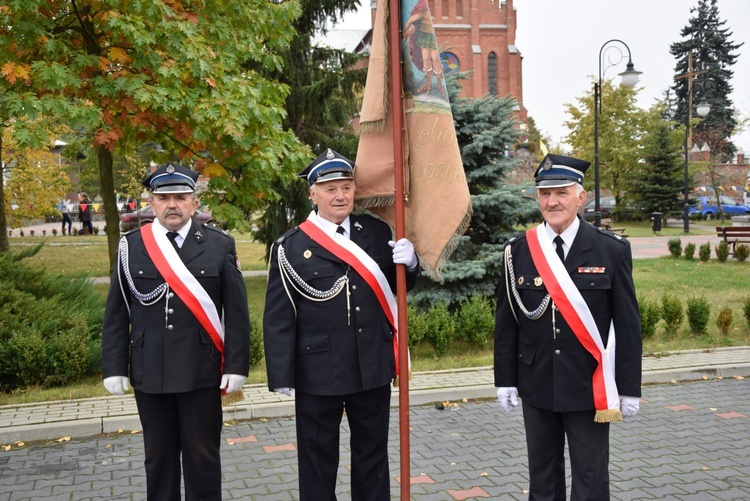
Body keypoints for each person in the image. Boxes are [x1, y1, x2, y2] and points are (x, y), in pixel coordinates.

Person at [263, 148, 421, 500]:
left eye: (346, 187)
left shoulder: (377, 233)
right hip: (318, 372)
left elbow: (400, 288)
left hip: (371, 366)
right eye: (330, 188)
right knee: (318, 462)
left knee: (372, 457)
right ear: (313, 193)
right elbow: (278, 315)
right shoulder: (291, 246)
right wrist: (281, 373)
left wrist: (411, 264)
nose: (340, 195)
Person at [494, 154, 642, 501]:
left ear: (581, 197)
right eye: (545, 194)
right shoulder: (518, 251)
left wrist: (629, 386)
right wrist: (505, 379)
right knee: (542, 476)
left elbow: (627, 324)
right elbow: (507, 322)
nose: (552, 202)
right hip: (537, 380)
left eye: (561, 192)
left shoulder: (610, 250)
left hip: (589, 384)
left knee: (591, 477)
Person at [101, 163, 250, 501]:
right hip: (149, 369)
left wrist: (237, 366)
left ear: (194, 203)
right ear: (151, 204)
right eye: (163, 198)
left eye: (181, 197)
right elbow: (116, 310)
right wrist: (113, 366)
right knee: (158, 459)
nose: (172, 205)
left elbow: (237, 313)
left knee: (203, 457)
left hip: (202, 369)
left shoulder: (219, 244)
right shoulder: (132, 246)